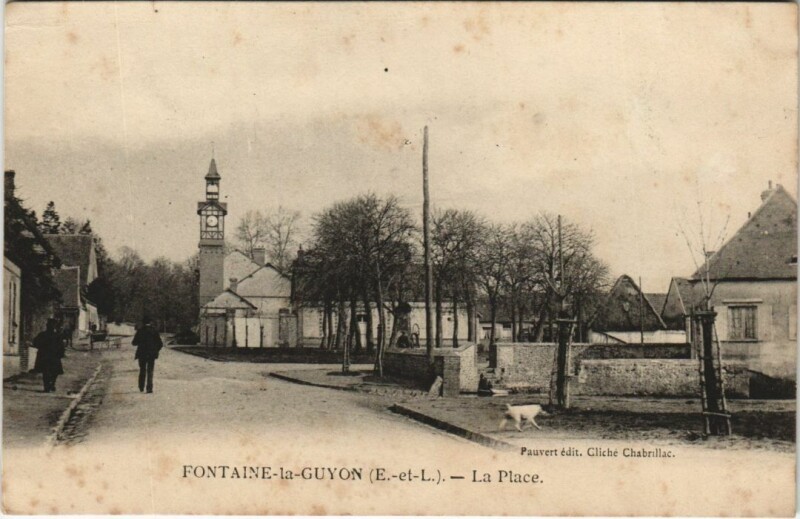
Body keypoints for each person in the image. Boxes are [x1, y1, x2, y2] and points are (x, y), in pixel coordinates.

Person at [31, 318, 65, 393]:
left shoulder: (44, 335)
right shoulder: (56, 335)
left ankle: (49, 385)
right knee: (52, 372)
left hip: (46, 357)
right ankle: (50, 385)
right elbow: (61, 346)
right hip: (52, 357)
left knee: (48, 372)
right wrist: (61, 354)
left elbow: (35, 343)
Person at [132, 317, 163, 394]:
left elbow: (134, 343)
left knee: (142, 370)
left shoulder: (140, 331)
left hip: (142, 353)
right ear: (151, 322)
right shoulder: (154, 331)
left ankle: (141, 387)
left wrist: (140, 343)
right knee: (150, 370)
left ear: (143, 322)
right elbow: (160, 344)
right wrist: (155, 350)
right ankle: (149, 388)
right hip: (151, 354)